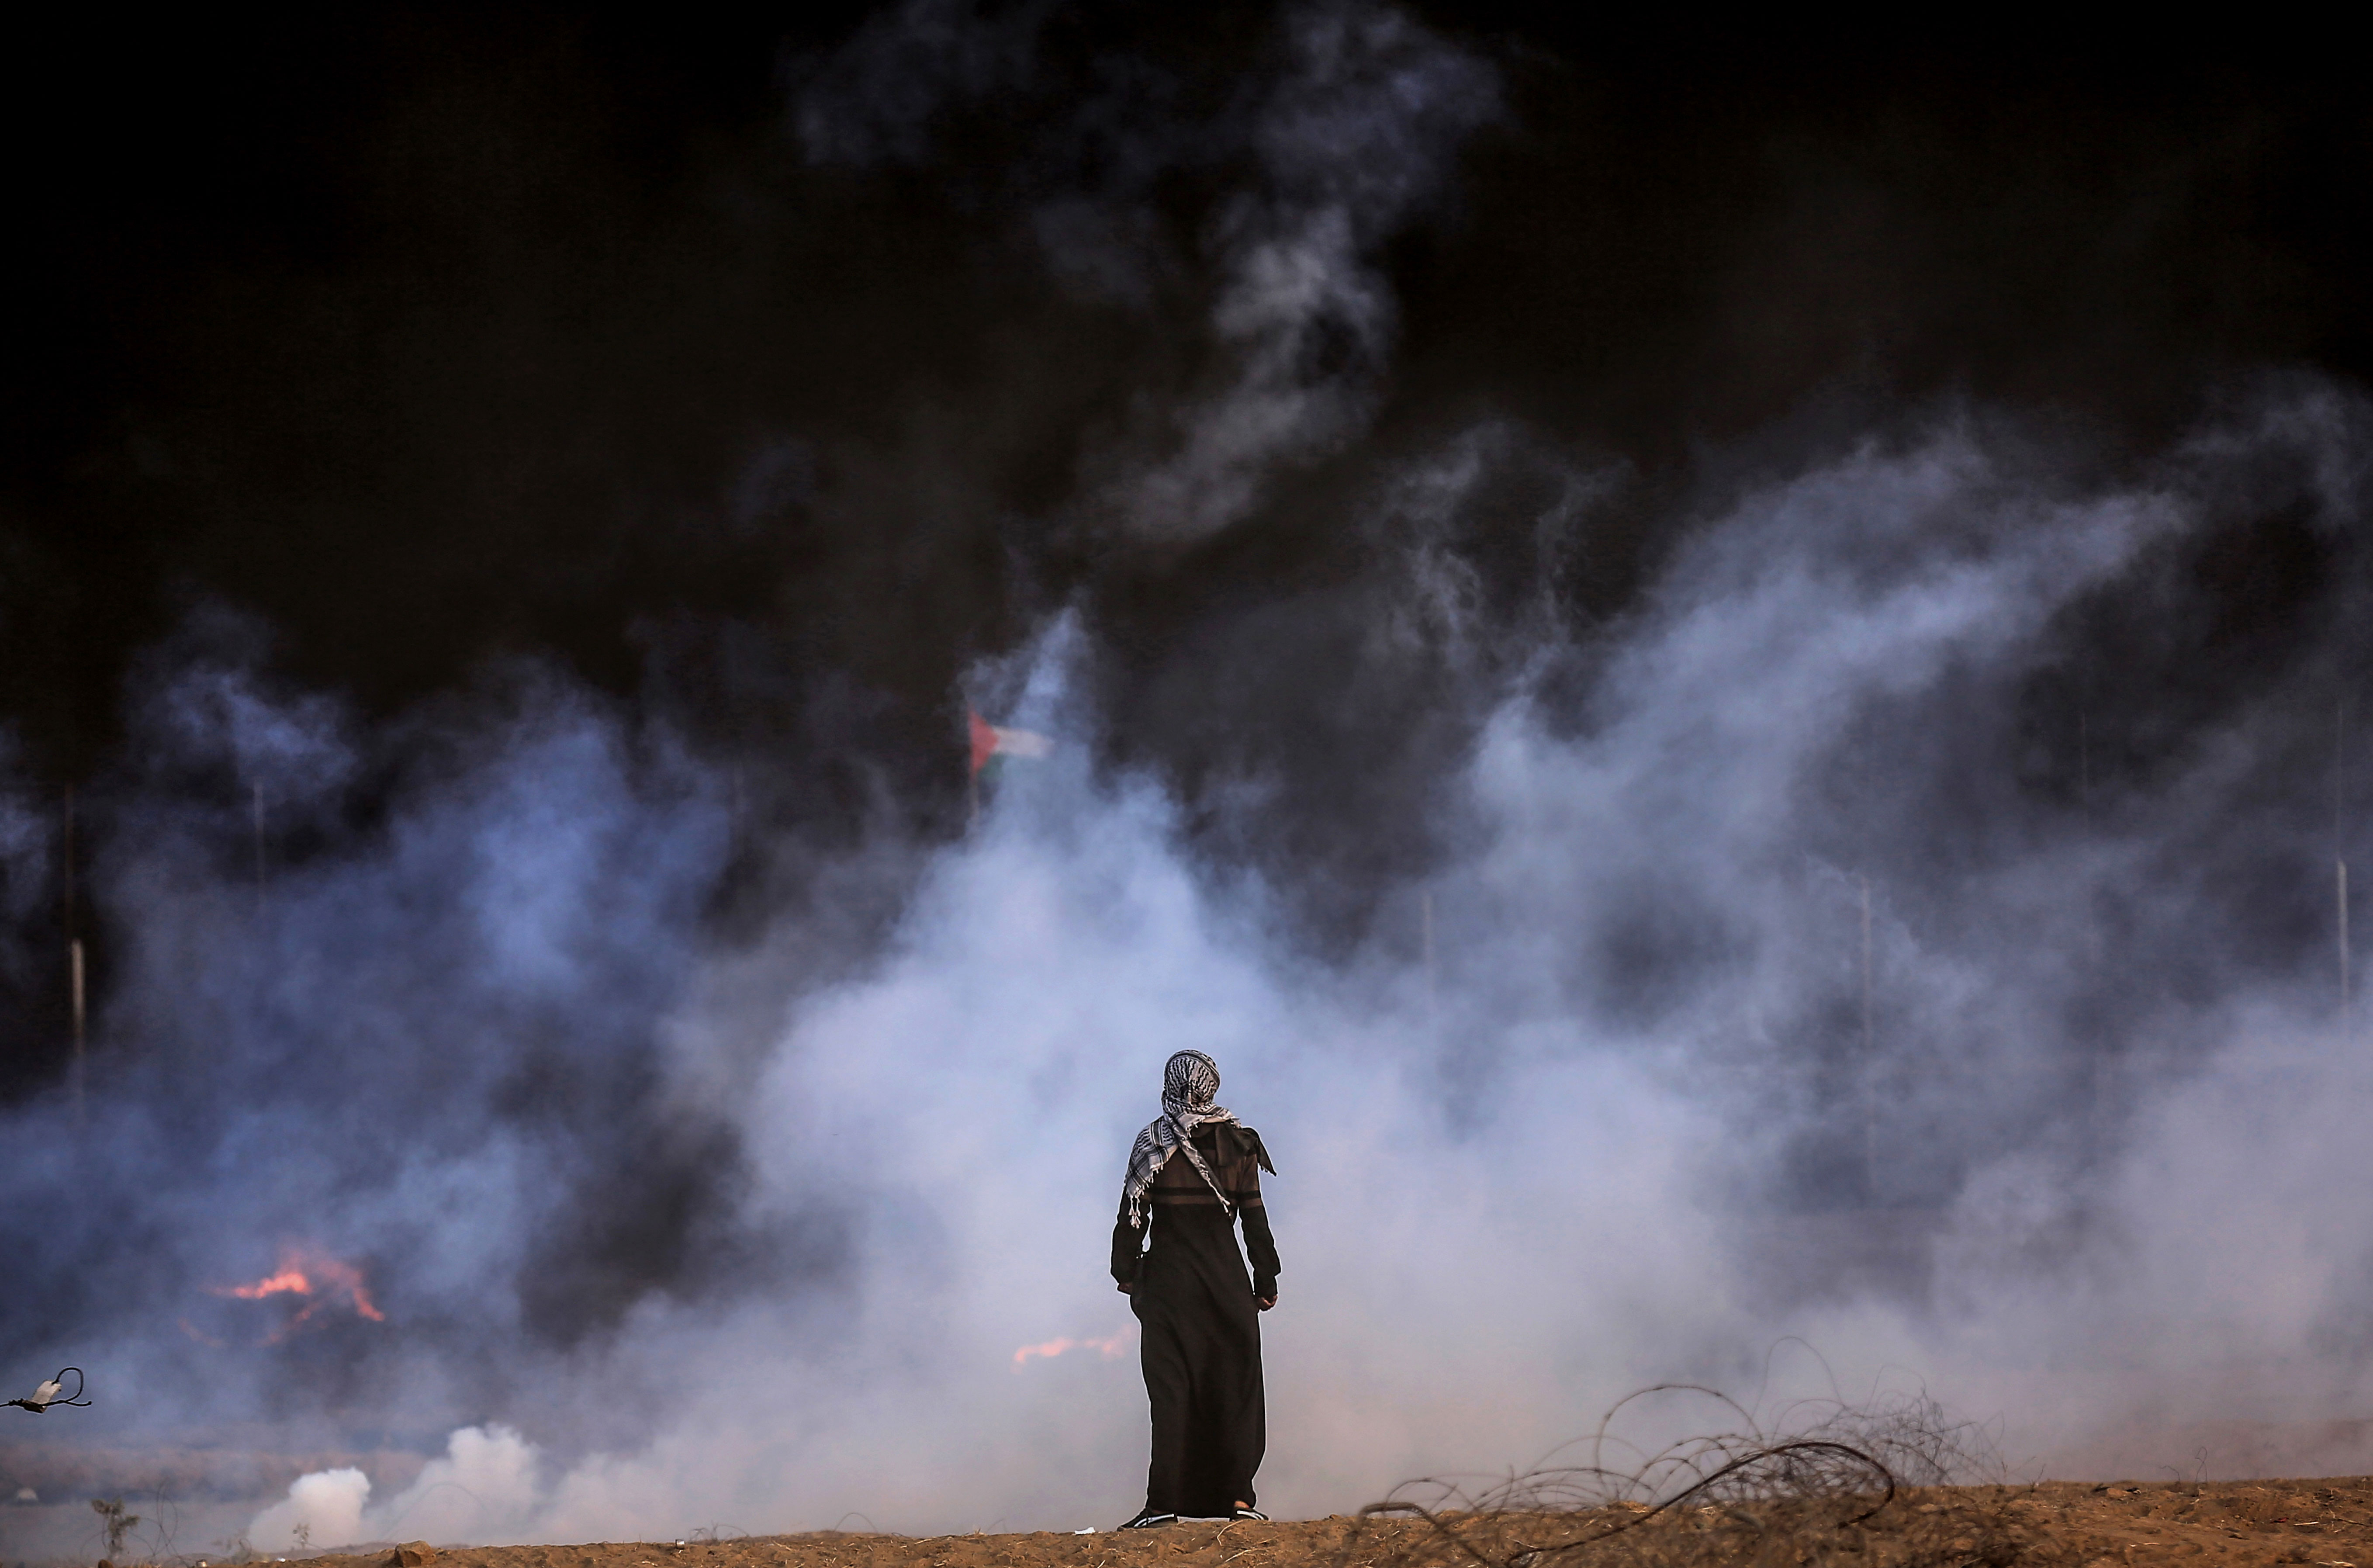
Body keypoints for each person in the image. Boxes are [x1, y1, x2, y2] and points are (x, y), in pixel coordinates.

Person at [1110, 1049, 1280, 1529]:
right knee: (1235, 1392)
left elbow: (1130, 1217)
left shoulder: (1153, 1141)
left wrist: (1125, 1272)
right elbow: (1254, 1220)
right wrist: (1264, 1281)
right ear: (1211, 1088)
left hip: (1168, 1288)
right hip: (1226, 1289)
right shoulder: (1238, 1143)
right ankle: (1240, 1503)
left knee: (1171, 1397)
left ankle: (1161, 1504)